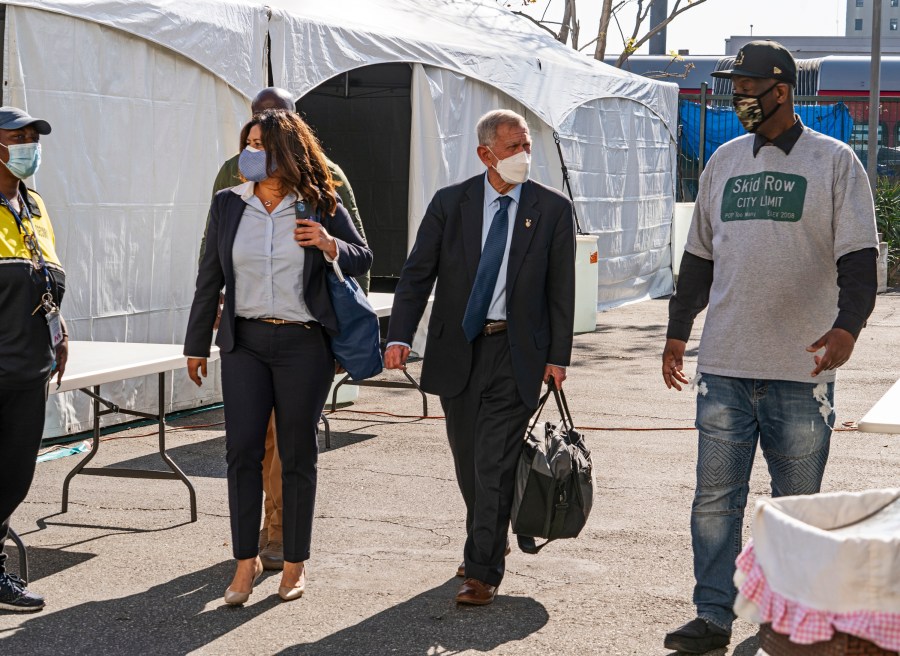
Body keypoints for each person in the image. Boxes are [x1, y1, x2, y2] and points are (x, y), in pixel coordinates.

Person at [661, 41, 879, 654]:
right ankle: (712, 615)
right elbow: (699, 257)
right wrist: (678, 332)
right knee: (715, 502)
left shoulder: (835, 163)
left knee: (795, 509)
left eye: (748, 87)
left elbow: (860, 259)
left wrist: (848, 328)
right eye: (736, 87)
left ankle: (785, 621)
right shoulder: (724, 161)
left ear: (780, 90)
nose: (739, 99)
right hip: (725, 366)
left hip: (801, 370)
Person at [385, 109, 575, 606]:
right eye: (513, 147)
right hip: (458, 350)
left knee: (492, 461)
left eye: (527, 145)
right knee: (469, 463)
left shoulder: (551, 209)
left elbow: (561, 291)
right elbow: (416, 274)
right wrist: (398, 335)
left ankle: (482, 569)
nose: (523, 156)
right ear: (485, 154)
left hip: (516, 353)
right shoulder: (452, 204)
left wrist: (558, 357)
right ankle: (488, 537)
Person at [184, 109, 372, 604]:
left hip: (303, 344)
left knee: (297, 453)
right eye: (247, 142)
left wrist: (331, 245)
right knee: (241, 452)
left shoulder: (319, 203)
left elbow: (363, 256)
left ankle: (293, 564)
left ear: (285, 151)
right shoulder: (228, 204)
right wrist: (196, 342)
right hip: (243, 343)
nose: (249, 152)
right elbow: (210, 275)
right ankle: (244, 564)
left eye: (259, 144)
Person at [0, 107, 67, 612]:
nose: (27, 145)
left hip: (30, 364)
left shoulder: (34, 203)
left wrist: (58, 328)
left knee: (14, 474)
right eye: (16, 137)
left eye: (31, 137)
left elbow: (45, 276)